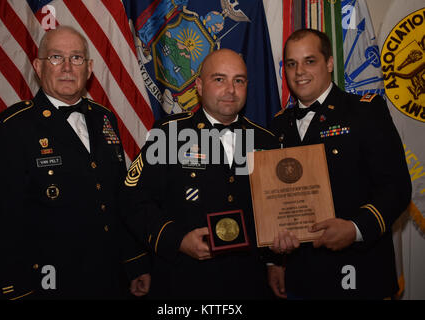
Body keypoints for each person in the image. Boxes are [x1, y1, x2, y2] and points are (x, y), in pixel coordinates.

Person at [0, 26, 149, 299]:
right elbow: (1, 224)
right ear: (38, 66)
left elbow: (118, 199)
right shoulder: (11, 129)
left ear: (89, 67)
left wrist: (135, 262)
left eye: (77, 58)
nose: (68, 67)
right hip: (51, 286)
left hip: (111, 280)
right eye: (56, 57)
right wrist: (17, 293)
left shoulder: (105, 119)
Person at [268, 29, 412, 299]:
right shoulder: (277, 126)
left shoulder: (365, 111)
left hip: (359, 269)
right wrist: (274, 261)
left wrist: (355, 228)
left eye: (310, 61)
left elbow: (397, 188)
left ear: (330, 64)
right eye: (291, 64)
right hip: (301, 277)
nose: (299, 71)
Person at [123, 48, 277, 299]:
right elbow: (133, 199)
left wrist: (276, 257)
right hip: (184, 281)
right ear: (199, 86)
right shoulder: (169, 135)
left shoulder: (266, 140)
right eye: (219, 79)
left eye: (239, 80)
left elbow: (274, 211)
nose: (230, 89)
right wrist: (176, 239)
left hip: (248, 282)